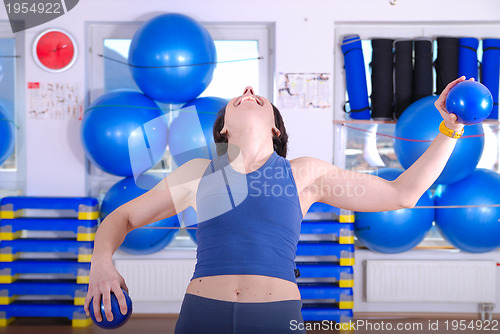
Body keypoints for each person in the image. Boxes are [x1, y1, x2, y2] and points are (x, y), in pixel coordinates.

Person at [84, 77, 469, 333]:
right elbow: (123, 216)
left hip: (274, 317)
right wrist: (101, 264)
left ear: (275, 128)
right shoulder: (198, 172)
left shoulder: (305, 174)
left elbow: (402, 193)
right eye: (241, 96)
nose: (250, 89)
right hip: (202, 315)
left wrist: (451, 129)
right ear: (222, 129)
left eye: (258, 97)